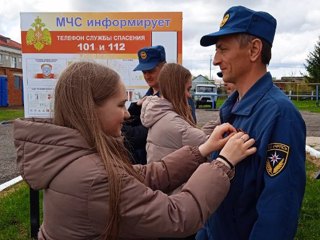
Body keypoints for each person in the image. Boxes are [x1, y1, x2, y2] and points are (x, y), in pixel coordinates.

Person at [14, 61, 257, 240]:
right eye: (120, 104)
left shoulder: (77, 159)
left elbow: (143, 176)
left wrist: (204, 148)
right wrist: (223, 164)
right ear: (91, 110)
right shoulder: (94, 177)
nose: (128, 113)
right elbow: (176, 216)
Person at [196, 5, 306, 240]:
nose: (216, 60)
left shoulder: (279, 116)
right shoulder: (232, 108)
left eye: (223, 49)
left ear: (254, 49)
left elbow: (277, 215)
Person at [122, 45, 196, 165]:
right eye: (144, 72)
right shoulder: (146, 99)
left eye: (151, 71)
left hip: (168, 168)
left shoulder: (178, 98)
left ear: (164, 67)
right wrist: (134, 107)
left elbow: (134, 137)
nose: (147, 76)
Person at [141, 63, 207, 163]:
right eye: (188, 89)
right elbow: (210, 144)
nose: (189, 95)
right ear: (177, 89)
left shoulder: (158, 115)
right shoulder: (176, 125)